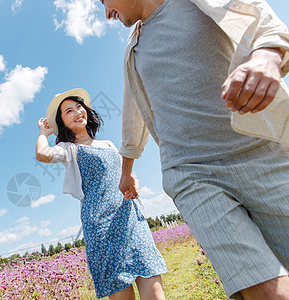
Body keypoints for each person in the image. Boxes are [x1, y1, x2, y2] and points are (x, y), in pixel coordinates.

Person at [97, 0, 289, 299]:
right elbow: (132, 117)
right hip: (191, 174)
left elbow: (258, 17)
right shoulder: (133, 52)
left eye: (103, 0)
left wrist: (267, 55)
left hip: (264, 154)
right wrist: (126, 173)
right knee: (265, 290)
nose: (106, 13)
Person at [35, 88, 167, 300]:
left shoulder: (108, 144)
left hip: (130, 217)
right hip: (101, 227)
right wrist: (43, 134)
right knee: (120, 292)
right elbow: (43, 154)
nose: (77, 112)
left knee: (153, 286)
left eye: (78, 106)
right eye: (68, 111)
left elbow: (123, 172)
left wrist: (132, 179)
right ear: (63, 123)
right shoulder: (69, 149)